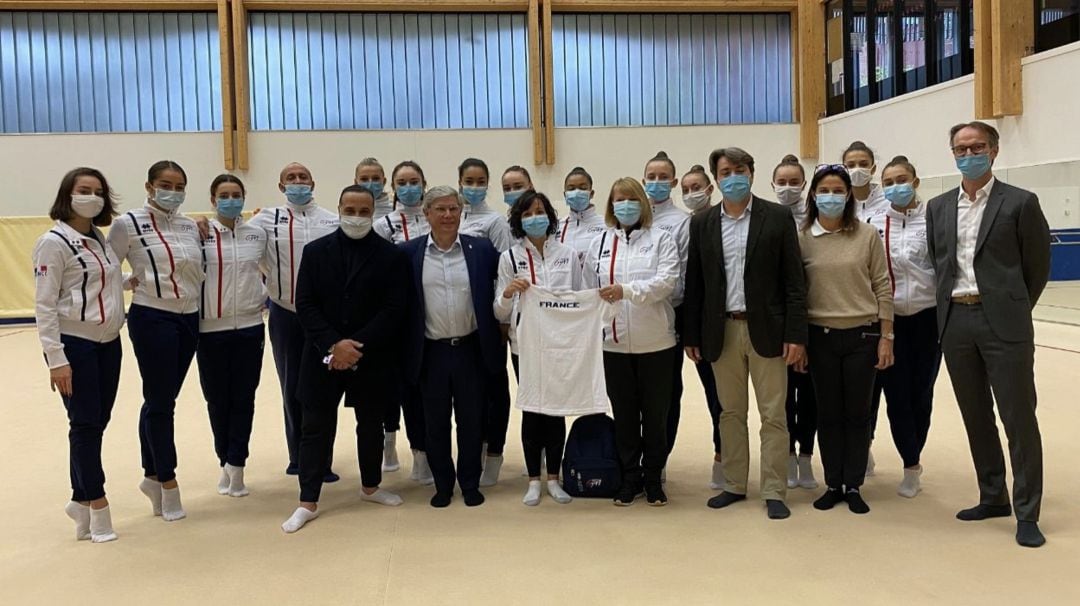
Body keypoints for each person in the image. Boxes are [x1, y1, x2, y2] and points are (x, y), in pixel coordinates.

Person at [926, 121, 1051, 548]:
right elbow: (939, 264)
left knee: (1018, 417)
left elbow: (1036, 267)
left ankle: (1027, 511)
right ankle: (992, 494)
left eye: (977, 146)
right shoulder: (938, 207)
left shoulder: (1020, 203)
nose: (969, 153)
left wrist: (1011, 308)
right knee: (975, 415)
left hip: (1004, 323)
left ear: (994, 151)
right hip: (955, 323)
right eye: (961, 148)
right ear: (953, 154)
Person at [683, 148, 807, 520]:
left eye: (739, 170)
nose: (733, 176)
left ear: (752, 174)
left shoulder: (778, 217)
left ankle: (774, 489)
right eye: (725, 171)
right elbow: (696, 283)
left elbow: (794, 282)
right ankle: (735, 484)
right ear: (716, 179)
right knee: (730, 412)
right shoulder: (702, 222)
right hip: (721, 330)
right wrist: (693, 333)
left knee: (774, 414)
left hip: (768, 330)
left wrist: (797, 335)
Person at [281, 185, 410, 533]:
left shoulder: (391, 256)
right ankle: (307, 500)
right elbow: (305, 304)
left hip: (371, 355)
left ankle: (371, 486)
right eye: (349, 209)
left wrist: (356, 345)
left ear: (373, 212)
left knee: (370, 425)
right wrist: (333, 345)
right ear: (338, 209)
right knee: (315, 428)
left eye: (363, 210)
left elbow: (394, 308)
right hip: (322, 355)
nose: (356, 216)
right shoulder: (315, 251)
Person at [108, 160, 205, 522]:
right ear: (149, 186)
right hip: (153, 316)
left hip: (188, 317)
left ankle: (150, 474)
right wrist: (129, 282)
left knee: (161, 398)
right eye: (166, 184)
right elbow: (103, 269)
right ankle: (167, 479)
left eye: (180, 186)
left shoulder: (189, 224)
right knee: (162, 402)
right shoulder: (127, 224)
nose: (173, 192)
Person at [33, 167, 125, 542]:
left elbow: (103, 284)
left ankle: (78, 498)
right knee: (85, 424)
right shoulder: (53, 242)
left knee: (96, 421)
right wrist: (56, 358)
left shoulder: (100, 239)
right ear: (67, 195)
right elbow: (44, 304)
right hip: (76, 344)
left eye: (98, 191)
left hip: (109, 343)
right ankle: (98, 504)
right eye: (83, 190)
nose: (92, 196)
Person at [798, 164, 894, 515]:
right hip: (819, 337)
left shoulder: (866, 235)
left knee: (857, 413)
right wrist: (799, 342)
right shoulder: (802, 236)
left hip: (863, 335)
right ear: (813, 195)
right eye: (825, 190)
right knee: (828, 413)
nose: (832, 196)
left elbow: (883, 285)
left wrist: (887, 336)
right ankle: (832, 482)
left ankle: (853, 484)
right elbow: (797, 293)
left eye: (839, 190)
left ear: (848, 196)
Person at [402, 185, 503, 508]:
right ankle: (443, 485)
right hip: (431, 351)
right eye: (440, 210)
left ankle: (470, 483)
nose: (448, 215)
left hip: (471, 349)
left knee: (472, 420)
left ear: (462, 212)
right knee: (435, 422)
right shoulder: (409, 254)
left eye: (454, 209)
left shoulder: (482, 250)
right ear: (426, 214)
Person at [583, 178, 680, 506]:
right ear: (611, 205)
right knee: (624, 415)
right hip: (613, 345)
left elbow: (666, 282)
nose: (625, 205)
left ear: (642, 202)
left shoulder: (661, 239)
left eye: (631, 199)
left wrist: (627, 291)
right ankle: (629, 477)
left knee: (655, 416)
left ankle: (654, 477)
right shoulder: (600, 242)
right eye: (619, 199)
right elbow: (588, 290)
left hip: (656, 344)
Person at [246, 163, 340, 482]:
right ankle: (298, 456)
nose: (298, 182)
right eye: (291, 178)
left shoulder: (332, 219)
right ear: (281, 185)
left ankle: (323, 460)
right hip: (286, 315)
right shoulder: (264, 219)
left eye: (303, 177)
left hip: (324, 320)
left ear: (313, 182)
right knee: (291, 385)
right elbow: (247, 248)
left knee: (324, 388)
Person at [494, 191, 583, 506]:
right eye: (528, 213)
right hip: (525, 346)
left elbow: (578, 298)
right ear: (518, 219)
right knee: (533, 410)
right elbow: (499, 312)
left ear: (550, 215)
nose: (535, 217)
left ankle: (554, 478)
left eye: (540, 211)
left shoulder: (567, 254)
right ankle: (533, 480)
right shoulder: (510, 257)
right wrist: (508, 294)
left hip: (559, 343)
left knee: (554, 411)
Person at [868, 156, 940, 498]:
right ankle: (910, 463)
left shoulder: (935, 219)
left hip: (929, 319)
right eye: (889, 181)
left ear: (915, 181)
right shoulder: (873, 223)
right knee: (895, 397)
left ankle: (916, 454)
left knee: (921, 395)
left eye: (902, 179)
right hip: (889, 321)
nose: (896, 185)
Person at [195, 175, 266, 498]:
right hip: (211, 329)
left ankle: (237, 463)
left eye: (237, 194)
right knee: (216, 400)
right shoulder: (200, 234)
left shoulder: (257, 233)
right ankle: (223, 457)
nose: (231, 200)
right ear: (213, 199)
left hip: (251, 327)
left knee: (244, 398)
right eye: (224, 195)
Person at [374, 160, 432, 480]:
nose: (408, 187)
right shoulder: (383, 225)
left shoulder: (438, 218)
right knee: (404, 389)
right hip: (399, 323)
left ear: (424, 184)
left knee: (430, 391)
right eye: (402, 182)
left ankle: (429, 451)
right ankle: (409, 451)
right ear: (393, 187)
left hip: (436, 317)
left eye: (414, 181)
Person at [457, 158, 512, 485]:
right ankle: (474, 446)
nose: (474, 187)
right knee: (469, 391)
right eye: (468, 181)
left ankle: (495, 451)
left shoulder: (494, 222)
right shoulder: (452, 215)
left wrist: (501, 320)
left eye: (480, 181)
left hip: (488, 319)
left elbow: (504, 272)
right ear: (460, 181)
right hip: (458, 321)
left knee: (495, 387)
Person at [641, 152, 691, 477]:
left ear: (673, 182)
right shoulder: (631, 219)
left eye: (663, 177)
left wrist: (651, 297)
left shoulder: (681, 222)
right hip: (630, 324)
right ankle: (633, 459)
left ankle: (657, 462)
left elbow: (681, 276)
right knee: (634, 396)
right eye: (651, 176)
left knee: (666, 395)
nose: (656, 182)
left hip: (666, 319)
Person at [772, 155, 819, 490]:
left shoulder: (816, 219)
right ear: (773, 185)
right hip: (779, 324)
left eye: (794, 182)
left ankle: (807, 457)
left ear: (804, 185)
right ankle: (787, 454)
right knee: (784, 396)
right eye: (782, 182)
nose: (788, 188)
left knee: (812, 395)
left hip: (816, 318)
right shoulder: (769, 219)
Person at [843, 141, 889, 475]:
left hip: (886, 311)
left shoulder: (888, 204)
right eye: (850, 163)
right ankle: (857, 449)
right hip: (848, 310)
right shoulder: (835, 204)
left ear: (873, 167)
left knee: (882, 391)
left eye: (863, 162)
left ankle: (868, 444)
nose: (856, 168)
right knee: (851, 393)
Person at [679, 164, 725, 489]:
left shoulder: (727, 220)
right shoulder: (689, 226)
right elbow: (691, 284)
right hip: (703, 326)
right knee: (716, 397)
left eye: (697, 186)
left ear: (710, 188)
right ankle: (721, 457)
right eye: (686, 188)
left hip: (740, 321)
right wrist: (691, 332)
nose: (692, 193)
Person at [558, 166, 607, 264]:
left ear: (591, 193)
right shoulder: (557, 227)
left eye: (582, 188)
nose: (576, 192)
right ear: (565, 195)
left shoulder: (606, 224)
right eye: (571, 189)